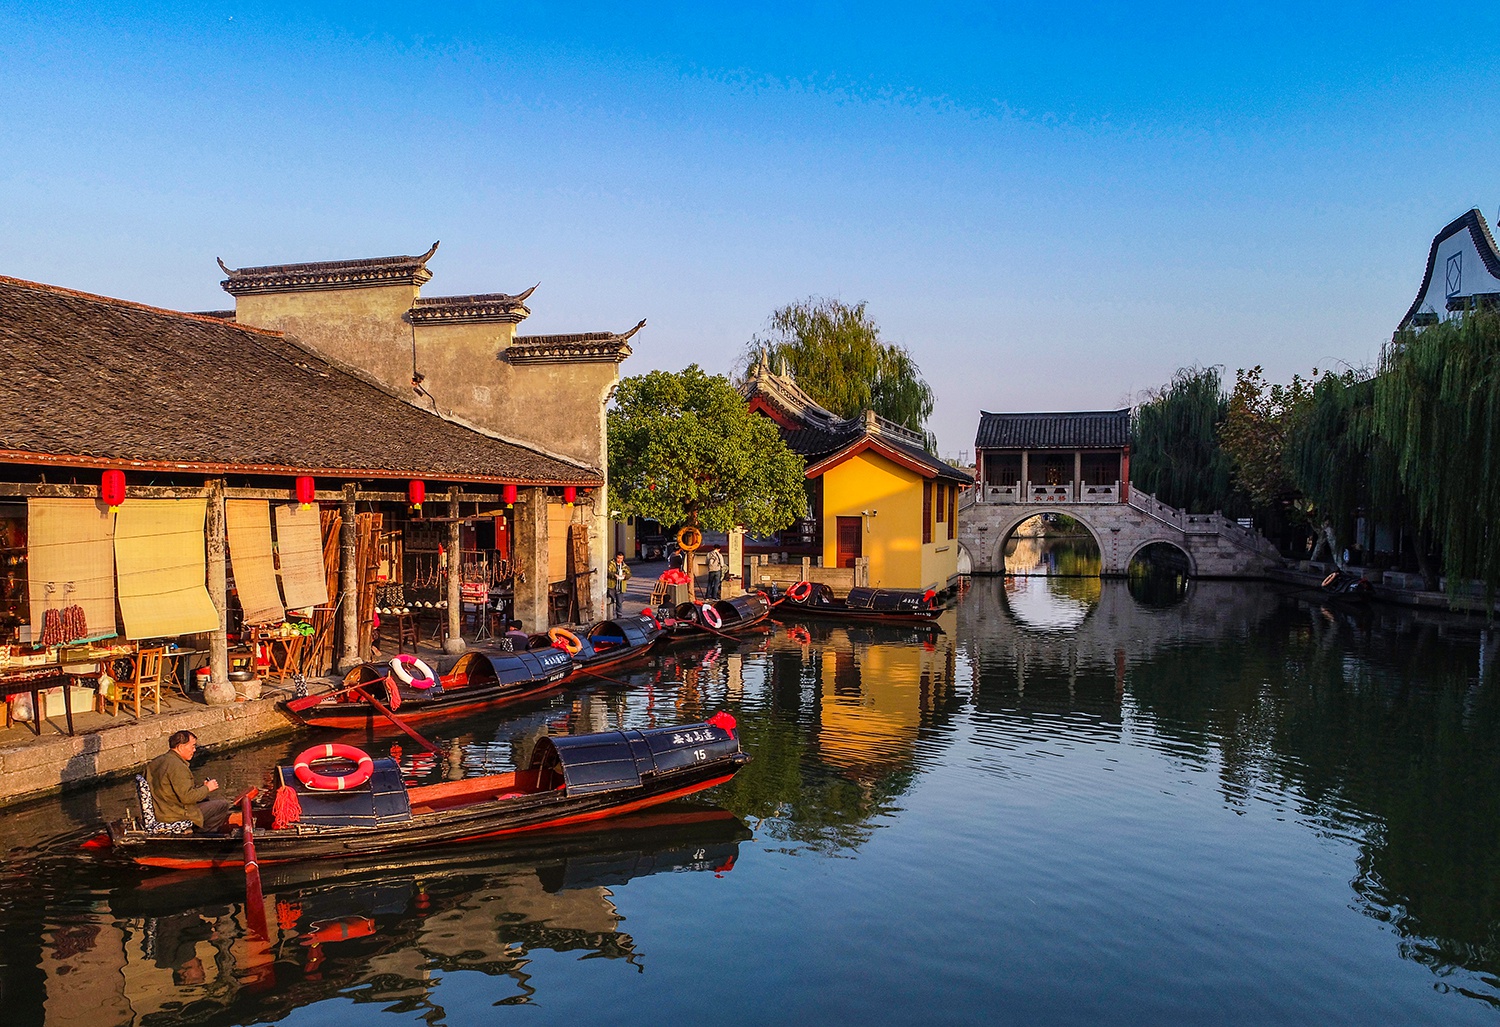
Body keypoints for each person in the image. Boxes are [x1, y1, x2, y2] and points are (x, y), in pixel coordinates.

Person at [146, 730, 231, 833]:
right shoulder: (178, 766)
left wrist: (201, 790)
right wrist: (207, 788)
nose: (194, 750)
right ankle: (206, 834)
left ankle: (196, 828)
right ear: (181, 747)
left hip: (160, 810)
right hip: (174, 815)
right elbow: (187, 798)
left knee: (205, 799)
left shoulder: (157, 762)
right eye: (192, 746)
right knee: (222, 805)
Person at [607, 551, 632, 618]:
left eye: (621, 558)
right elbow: (607, 572)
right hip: (612, 585)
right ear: (616, 557)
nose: (619, 560)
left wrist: (625, 576)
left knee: (619, 602)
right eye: (618, 558)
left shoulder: (624, 566)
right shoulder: (611, 564)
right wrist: (614, 575)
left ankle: (619, 616)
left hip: (621, 586)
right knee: (610, 601)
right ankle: (610, 616)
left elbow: (629, 574)